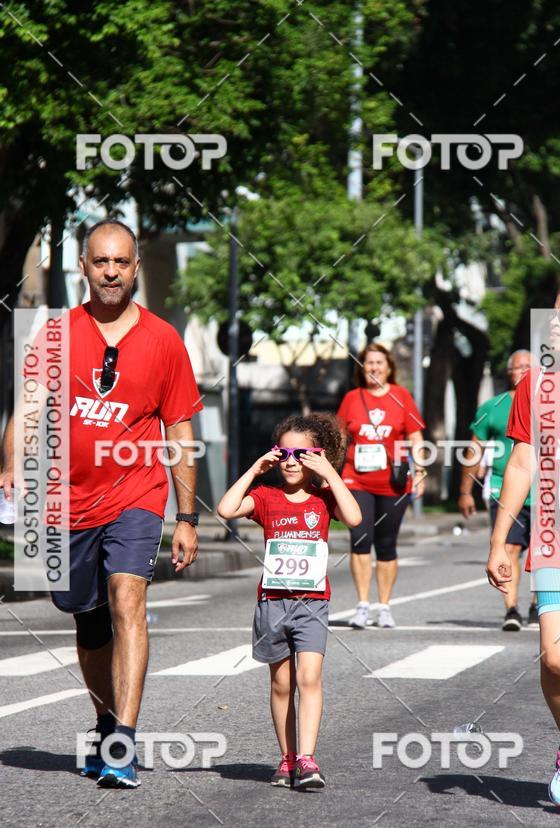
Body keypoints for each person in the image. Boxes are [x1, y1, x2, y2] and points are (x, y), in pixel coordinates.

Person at [0, 219, 202, 789]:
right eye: (100, 262)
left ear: (136, 268)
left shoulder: (164, 340)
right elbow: (29, 410)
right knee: (85, 617)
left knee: (125, 599)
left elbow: (181, 435)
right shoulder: (56, 334)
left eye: (121, 262)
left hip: (136, 495)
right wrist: (13, 464)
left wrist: (186, 518)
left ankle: (123, 745)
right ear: (83, 268)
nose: (111, 271)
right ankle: (103, 720)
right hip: (65, 501)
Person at [486, 275, 560, 812]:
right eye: (552, 316)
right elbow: (524, 462)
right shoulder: (538, 383)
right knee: (557, 661)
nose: (554, 326)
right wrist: (498, 541)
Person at [217, 413, 361, 789]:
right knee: (282, 685)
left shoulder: (324, 497)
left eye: (303, 453)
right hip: (273, 604)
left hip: (312, 604)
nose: (292, 461)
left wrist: (330, 473)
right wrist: (253, 469)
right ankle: (287, 757)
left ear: (318, 456)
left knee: (309, 678)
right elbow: (226, 509)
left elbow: (355, 517)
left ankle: (308, 760)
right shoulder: (266, 497)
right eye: (284, 453)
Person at [336, 343, 426, 629]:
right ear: (362, 368)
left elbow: (416, 438)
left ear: (389, 368)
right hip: (356, 479)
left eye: (379, 363)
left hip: (393, 482)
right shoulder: (352, 398)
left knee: (386, 544)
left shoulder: (402, 396)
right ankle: (362, 604)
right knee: (360, 539)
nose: (374, 367)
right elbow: (339, 439)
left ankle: (383, 605)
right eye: (369, 363)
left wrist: (421, 470)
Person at [459, 350, 538, 631]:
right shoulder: (493, 406)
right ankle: (512, 609)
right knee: (511, 547)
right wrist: (466, 491)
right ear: (509, 372)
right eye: (517, 367)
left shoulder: (550, 401)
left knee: (540, 553)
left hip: (545, 491)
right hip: (503, 489)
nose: (522, 371)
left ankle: (536, 602)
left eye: (528, 367)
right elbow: (474, 449)